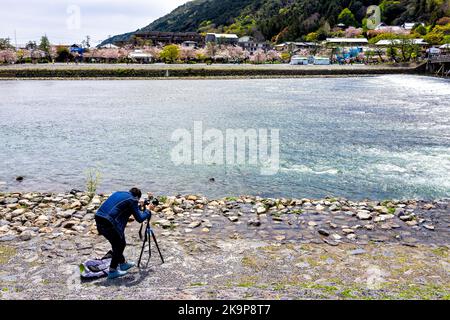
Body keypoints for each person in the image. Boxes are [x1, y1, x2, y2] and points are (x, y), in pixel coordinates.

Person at [95, 188, 154, 279]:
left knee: (119, 243)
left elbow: (121, 207)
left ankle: (122, 264)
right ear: (137, 197)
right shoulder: (133, 200)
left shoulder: (120, 193)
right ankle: (112, 271)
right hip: (109, 222)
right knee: (119, 245)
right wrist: (148, 210)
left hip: (99, 218)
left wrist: (138, 206)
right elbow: (140, 219)